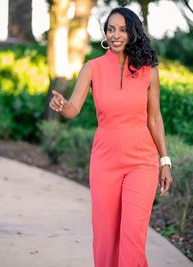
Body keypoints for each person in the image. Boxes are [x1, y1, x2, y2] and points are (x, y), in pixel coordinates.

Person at [49, 7, 173, 267]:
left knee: (132, 238)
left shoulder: (148, 70)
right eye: (111, 29)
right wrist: (63, 106)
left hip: (142, 161)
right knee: (105, 238)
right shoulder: (91, 68)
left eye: (123, 29)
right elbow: (74, 108)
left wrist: (165, 160)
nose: (116, 35)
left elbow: (155, 118)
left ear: (133, 33)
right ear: (105, 33)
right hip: (105, 162)